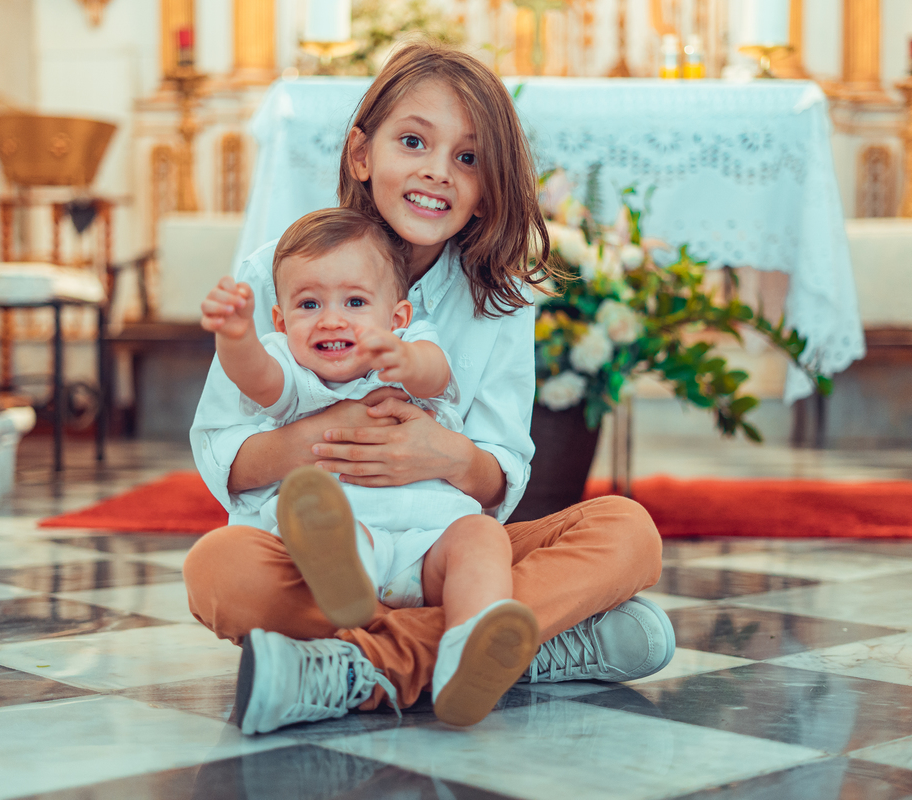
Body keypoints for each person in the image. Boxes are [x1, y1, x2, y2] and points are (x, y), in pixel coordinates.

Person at [186, 41, 675, 737]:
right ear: (362, 154)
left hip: (440, 547)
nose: (436, 172)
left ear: (488, 186)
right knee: (218, 571)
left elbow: (499, 472)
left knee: (629, 532)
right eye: (413, 141)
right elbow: (223, 451)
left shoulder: (497, 303)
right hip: (324, 557)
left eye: (467, 157)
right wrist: (325, 436)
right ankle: (517, 648)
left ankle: (368, 665)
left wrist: (441, 456)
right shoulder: (278, 270)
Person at [200, 207, 540, 726]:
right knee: (251, 552)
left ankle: (468, 652)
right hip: (346, 537)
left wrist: (403, 360)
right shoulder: (295, 370)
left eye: (355, 302)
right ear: (281, 321)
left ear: (398, 317)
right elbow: (259, 379)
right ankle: (357, 596)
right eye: (309, 304)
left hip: (430, 545)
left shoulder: (412, 345)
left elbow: (434, 372)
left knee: (483, 538)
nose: (332, 318)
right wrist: (235, 336)